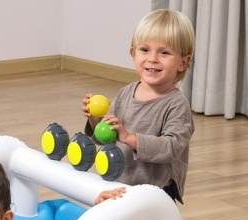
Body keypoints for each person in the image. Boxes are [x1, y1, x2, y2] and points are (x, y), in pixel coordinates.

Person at [83, 9, 195, 203]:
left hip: (155, 190)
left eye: (164, 52)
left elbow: (171, 147)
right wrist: (95, 120)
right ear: (132, 53)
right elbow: (107, 136)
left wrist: (130, 138)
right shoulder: (126, 93)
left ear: (183, 63)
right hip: (120, 182)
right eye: (145, 50)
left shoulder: (177, 105)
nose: (152, 58)